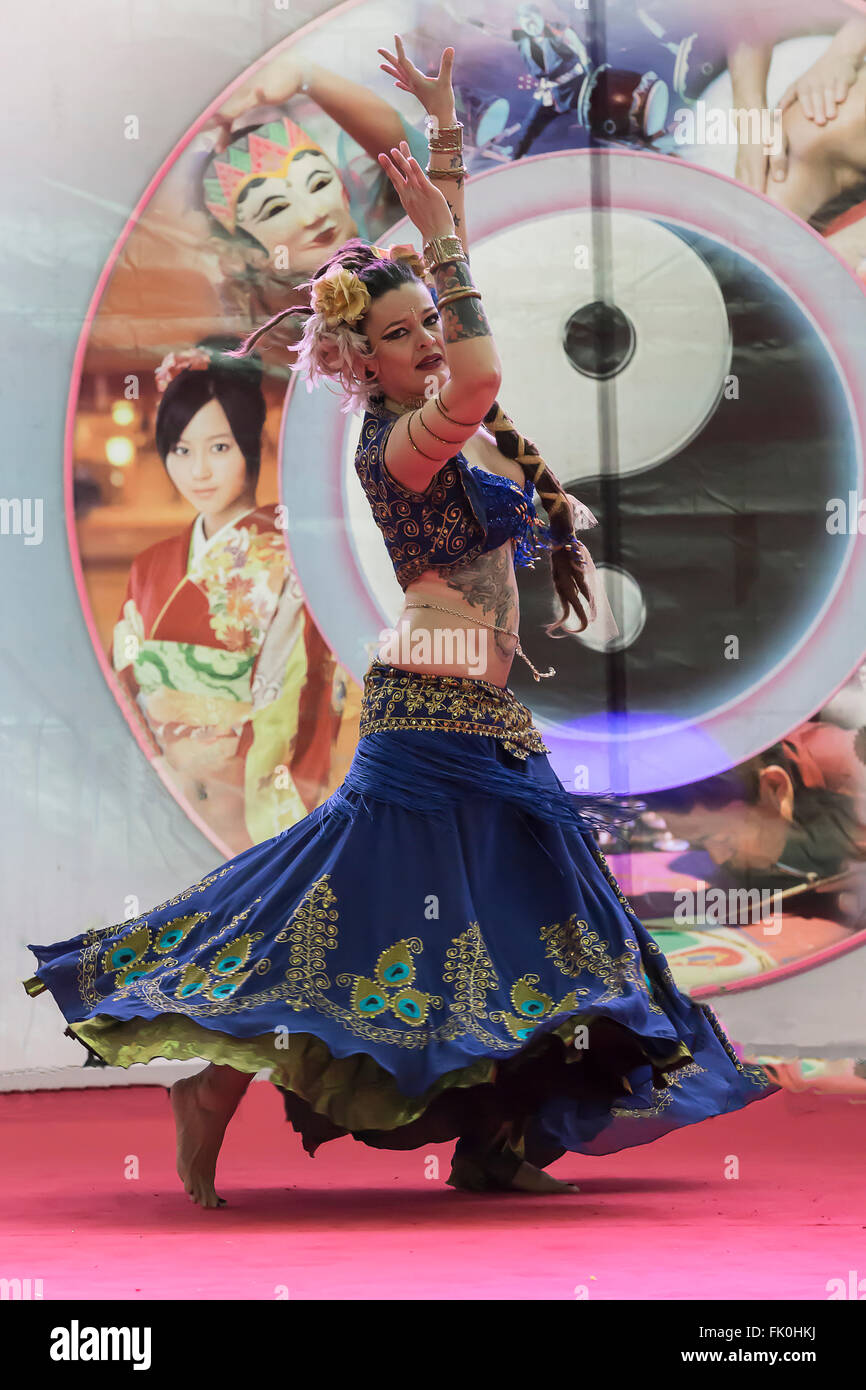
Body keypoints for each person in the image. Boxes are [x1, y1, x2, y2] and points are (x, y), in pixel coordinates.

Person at [23, 54, 780, 1210]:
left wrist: (437, 154)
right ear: (358, 358)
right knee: (376, 917)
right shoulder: (406, 442)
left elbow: (459, 332)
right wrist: (437, 245)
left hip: (477, 711)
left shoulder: (435, 418)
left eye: (426, 319)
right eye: (401, 331)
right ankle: (218, 1085)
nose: (426, 337)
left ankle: (494, 1141)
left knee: (512, 927)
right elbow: (473, 371)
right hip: (432, 711)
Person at [112, 337, 347, 853]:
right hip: (167, 788)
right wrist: (164, 767)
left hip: (247, 799)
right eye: (181, 450)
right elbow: (127, 682)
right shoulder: (149, 566)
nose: (198, 471)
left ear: (250, 443)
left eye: (218, 448)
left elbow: (295, 693)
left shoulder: (292, 558)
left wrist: (225, 773)